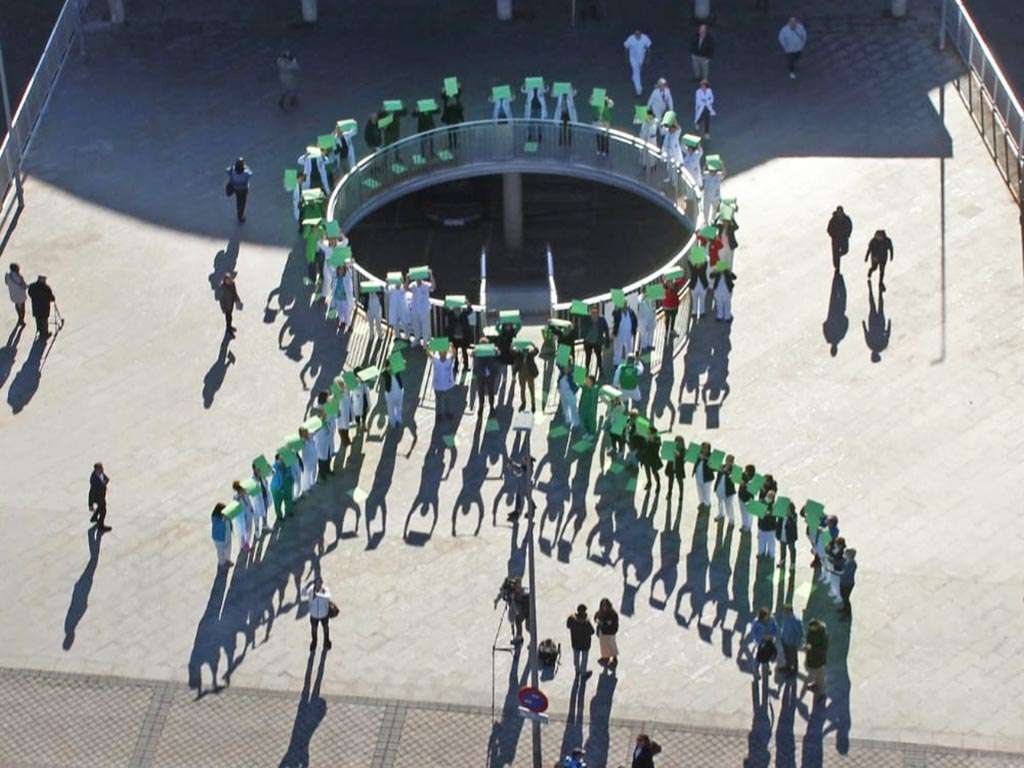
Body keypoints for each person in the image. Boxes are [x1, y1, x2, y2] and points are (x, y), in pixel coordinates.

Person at [494, 577, 529, 643]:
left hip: (524, 608)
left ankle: (519, 637)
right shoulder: (508, 591)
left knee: (519, 621)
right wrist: (496, 601)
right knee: (514, 619)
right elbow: (501, 594)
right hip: (517, 607)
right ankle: (516, 635)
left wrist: (512, 600)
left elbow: (517, 610)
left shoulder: (521, 594)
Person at [302, 577, 333, 651]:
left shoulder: (325, 590)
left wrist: (318, 594)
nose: (318, 585)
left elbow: (328, 596)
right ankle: (314, 642)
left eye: (320, 583)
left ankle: (326, 641)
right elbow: (303, 594)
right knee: (314, 630)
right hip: (314, 615)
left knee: (326, 629)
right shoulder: (310, 590)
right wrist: (307, 586)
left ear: (322, 583)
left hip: (324, 614)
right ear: (315, 583)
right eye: (317, 583)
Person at [566, 604, 595, 677]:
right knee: (584, 660)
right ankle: (583, 672)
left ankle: (577, 670)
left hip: (575, 643)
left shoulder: (571, 619)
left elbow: (568, 625)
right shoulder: (586, 622)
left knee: (576, 658)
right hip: (585, 644)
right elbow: (592, 631)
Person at [749, 606, 778, 678]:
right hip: (760, 643)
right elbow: (753, 633)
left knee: (768, 655)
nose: (768, 618)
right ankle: (756, 671)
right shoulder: (756, 622)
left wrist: (772, 635)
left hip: (769, 640)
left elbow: (775, 628)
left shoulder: (771, 619)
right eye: (766, 616)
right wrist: (761, 638)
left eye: (768, 615)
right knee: (758, 658)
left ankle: (766, 668)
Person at [581, 304, 610, 376]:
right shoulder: (586, 318)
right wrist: (584, 336)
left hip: (597, 341)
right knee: (588, 356)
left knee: (599, 356)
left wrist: (607, 341)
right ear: (590, 312)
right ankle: (587, 369)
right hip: (588, 341)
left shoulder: (601, 319)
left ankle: (600, 369)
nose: (594, 313)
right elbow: (582, 327)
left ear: (598, 312)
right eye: (592, 312)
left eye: (595, 312)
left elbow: (606, 329)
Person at [803, 619, 828, 699]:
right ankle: (816, 685)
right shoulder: (811, 632)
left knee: (820, 677)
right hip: (812, 658)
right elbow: (808, 641)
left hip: (819, 660)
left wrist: (811, 648)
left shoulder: (823, 635)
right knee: (816, 675)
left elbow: (823, 649)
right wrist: (806, 646)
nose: (811, 629)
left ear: (817, 627)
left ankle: (822, 693)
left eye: (812, 627)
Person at [431, 344, 456, 421]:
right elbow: (454, 354)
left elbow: (428, 353)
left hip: (440, 386)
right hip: (446, 386)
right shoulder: (448, 360)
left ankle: (441, 414)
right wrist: (451, 346)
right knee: (445, 401)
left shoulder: (436, 360)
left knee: (441, 401)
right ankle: (446, 414)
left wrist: (433, 346)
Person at [623, 30, 652, 97]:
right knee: (637, 71)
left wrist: (648, 58)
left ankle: (634, 78)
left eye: (639, 34)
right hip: (633, 58)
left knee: (638, 71)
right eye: (636, 34)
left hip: (641, 57)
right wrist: (626, 58)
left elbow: (649, 48)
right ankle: (639, 89)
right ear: (634, 34)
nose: (637, 35)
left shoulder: (645, 38)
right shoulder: (630, 39)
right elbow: (626, 48)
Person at [446, 304, 472, 374]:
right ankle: (456, 367)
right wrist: (446, 304)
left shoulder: (463, 313)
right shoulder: (451, 313)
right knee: (455, 353)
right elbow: (445, 311)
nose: (457, 310)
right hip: (454, 337)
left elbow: (470, 310)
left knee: (464, 352)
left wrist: (468, 304)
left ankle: (466, 366)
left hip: (463, 337)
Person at [409, 272, 433, 346]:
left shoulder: (426, 285)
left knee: (425, 326)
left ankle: (425, 341)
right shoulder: (413, 285)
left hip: (424, 309)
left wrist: (431, 275)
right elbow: (406, 288)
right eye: (416, 278)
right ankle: (417, 339)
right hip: (415, 309)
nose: (418, 279)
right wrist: (407, 279)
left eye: (419, 278)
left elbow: (433, 287)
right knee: (416, 325)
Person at [512, 343, 539, 412]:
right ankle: (523, 403)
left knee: (532, 391)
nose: (525, 352)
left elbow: (537, 350)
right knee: (522, 390)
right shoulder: (519, 355)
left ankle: (533, 405)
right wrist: (513, 345)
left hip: (530, 375)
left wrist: (533, 344)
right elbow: (511, 352)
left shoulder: (530, 355)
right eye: (524, 351)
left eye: (526, 351)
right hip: (521, 375)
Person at [594, 597, 619, 668]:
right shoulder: (600, 612)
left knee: (611, 645)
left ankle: (615, 659)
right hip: (602, 632)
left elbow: (614, 623)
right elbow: (595, 617)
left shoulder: (613, 614)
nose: (604, 607)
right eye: (603, 606)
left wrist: (607, 623)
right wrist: (597, 621)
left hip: (610, 632)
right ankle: (605, 658)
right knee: (604, 646)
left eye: (605, 606)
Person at [778, 604, 803, 675]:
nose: (783, 614)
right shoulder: (786, 618)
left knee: (793, 657)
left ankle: (794, 670)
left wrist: (797, 643)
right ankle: (787, 667)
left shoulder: (796, 621)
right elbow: (784, 628)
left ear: (789, 612)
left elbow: (800, 633)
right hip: (785, 641)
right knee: (787, 656)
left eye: (785, 612)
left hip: (792, 643)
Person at [225, 158, 252, 223]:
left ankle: (229, 193)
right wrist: (246, 166)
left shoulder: (232, 171)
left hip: (235, 188)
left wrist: (232, 167)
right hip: (243, 189)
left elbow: (227, 170)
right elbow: (251, 173)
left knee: (238, 201)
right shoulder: (246, 173)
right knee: (242, 203)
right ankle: (240, 217)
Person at [827, 206, 853, 272]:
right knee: (835, 254)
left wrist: (847, 234)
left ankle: (839, 255)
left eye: (840, 212)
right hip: (835, 240)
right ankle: (837, 267)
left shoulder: (846, 219)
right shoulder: (833, 220)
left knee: (845, 250)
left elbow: (850, 226)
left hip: (844, 238)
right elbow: (829, 229)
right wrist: (833, 236)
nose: (839, 213)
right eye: (838, 212)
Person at [775, 498, 798, 570]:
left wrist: (789, 516)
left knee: (792, 549)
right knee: (782, 548)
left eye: (788, 508)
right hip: (782, 535)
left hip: (790, 536)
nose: (786, 510)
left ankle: (792, 563)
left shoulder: (794, 516)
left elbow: (793, 522)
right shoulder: (781, 515)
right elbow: (778, 523)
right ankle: (782, 560)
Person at [612, 301, 637, 365]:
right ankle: (616, 363)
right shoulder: (617, 313)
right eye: (623, 305)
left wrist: (634, 330)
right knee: (618, 349)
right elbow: (613, 314)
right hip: (619, 334)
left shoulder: (631, 312)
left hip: (629, 333)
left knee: (629, 348)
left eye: (625, 305)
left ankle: (628, 362)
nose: (624, 306)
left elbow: (635, 320)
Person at [474, 347, 498, 414]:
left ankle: (483, 407)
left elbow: (497, 353)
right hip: (486, 374)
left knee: (483, 392)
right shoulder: (480, 350)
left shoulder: (481, 350)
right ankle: (489, 407)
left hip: (484, 374)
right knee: (489, 391)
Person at [270, 453, 293, 523]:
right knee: (277, 503)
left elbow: (290, 473)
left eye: (283, 458)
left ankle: (288, 511)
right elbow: (271, 471)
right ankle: (279, 516)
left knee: (288, 499)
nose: (282, 460)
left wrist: (292, 481)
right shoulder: (275, 467)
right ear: (276, 460)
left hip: (287, 486)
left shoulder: (287, 465)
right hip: (277, 488)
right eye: (280, 459)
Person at [713, 454, 736, 525]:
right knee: (720, 503)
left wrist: (727, 472)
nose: (727, 462)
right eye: (727, 460)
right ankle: (721, 514)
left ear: (732, 462)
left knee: (729, 505)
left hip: (728, 491)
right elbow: (714, 468)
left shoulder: (734, 470)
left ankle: (731, 519)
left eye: (729, 461)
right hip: (720, 488)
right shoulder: (722, 466)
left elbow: (734, 478)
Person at [88, 462, 111, 532]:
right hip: (98, 498)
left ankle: (94, 517)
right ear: (96, 470)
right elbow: (91, 493)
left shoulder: (100, 473)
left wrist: (104, 484)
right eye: (101, 469)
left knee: (101, 508)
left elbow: (106, 479)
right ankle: (101, 526)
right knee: (103, 511)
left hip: (101, 496)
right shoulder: (94, 480)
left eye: (102, 468)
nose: (102, 470)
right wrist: (90, 505)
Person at [382, 361, 404, 428]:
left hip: (399, 391)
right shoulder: (385, 373)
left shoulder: (396, 370)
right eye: (390, 366)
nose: (391, 368)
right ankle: (393, 422)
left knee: (399, 406)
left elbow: (401, 366)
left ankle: (399, 420)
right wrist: (387, 369)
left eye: (392, 365)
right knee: (390, 408)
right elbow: (382, 373)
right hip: (390, 393)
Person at [557, 363, 580, 428]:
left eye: (567, 367)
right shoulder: (561, 373)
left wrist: (575, 389)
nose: (565, 369)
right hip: (563, 392)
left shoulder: (574, 371)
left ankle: (576, 423)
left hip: (570, 392)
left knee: (573, 408)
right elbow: (557, 363)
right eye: (564, 367)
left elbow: (581, 380)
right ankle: (568, 420)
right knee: (565, 407)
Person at [692, 442, 713, 512]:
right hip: (698, 476)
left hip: (707, 478)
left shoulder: (711, 456)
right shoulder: (698, 454)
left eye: (705, 448)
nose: (703, 449)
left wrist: (704, 458)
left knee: (706, 492)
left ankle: (707, 504)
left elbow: (714, 466)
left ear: (708, 449)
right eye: (702, 447)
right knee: (699, 491)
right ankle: (701, 502)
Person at [218, 272, 241, 338]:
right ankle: (228, 329)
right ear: (224, 280)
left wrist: (237, 299)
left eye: (229, 279)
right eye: (227, 280)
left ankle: (230, 326)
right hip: (226, 306)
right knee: (228, 318)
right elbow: (221, 300)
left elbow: (234, 292)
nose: (228, 281)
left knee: (230, 317)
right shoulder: (223, 288)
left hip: (231, 304)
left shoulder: (232, 284)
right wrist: (223, 308)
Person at [211, 503, 232, 567]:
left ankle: (227, 560)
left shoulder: (225, 515)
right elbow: (218, 525)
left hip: (227, 536)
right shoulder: (215, 518)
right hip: (219, 539)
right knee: (220, 551)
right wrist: (223, 520)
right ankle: (222, 563)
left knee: (228, 549)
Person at [579, 374, 599, 439]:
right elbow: (579, 380)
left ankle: (592, 434)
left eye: (588, 381)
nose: (586, 382)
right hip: (584, 408)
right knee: (584, 421)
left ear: (592, 382)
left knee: (591, 422)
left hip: (591, 409)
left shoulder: (595, 389)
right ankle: (587, 432)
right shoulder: (585, 387)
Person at [838, 548, 857, 619]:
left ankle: (847, 612)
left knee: (846, 598)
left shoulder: (852, 564)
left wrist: (836, 572)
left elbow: (845, 574)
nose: (844, 554)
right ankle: (844, 608)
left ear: (849, 555)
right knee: (843, 596)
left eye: (845, 553)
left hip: (848, 584)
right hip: (843, 582)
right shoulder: (847, 561)